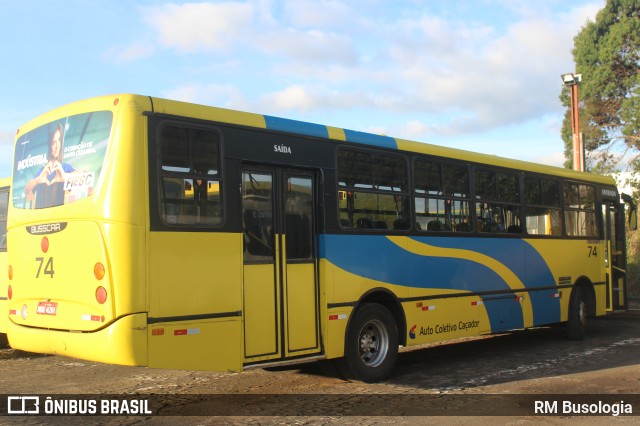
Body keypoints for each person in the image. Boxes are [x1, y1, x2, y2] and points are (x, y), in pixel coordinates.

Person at [24, 124, 75, 208]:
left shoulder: (64, 168)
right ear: (49, 145)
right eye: (53, 142)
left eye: (59, 141)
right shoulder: (42, 171)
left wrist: (65, 176)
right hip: (41, 218)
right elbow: (26, 190)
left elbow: (81, 177)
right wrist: (37, 180)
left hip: (59, 216)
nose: (57, 146)